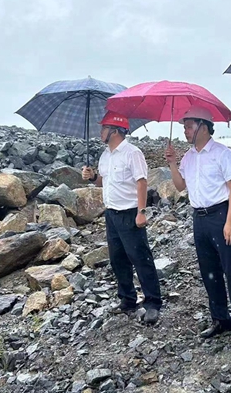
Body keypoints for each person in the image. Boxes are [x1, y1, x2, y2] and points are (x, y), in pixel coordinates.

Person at [164, 106, 231, 350]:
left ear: (203, 127)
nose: (185, 131)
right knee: (209, 271)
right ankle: (220, 319)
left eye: (188, 126)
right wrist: (172, 164)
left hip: (221, 214)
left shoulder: (222, 153)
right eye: (184, 127)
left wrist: (229, 221)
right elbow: (180, 186)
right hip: (199, 217)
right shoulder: (188, 156)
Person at [82, 111, 162, 325]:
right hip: (111, 214)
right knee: (118, 259)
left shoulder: (132, 153)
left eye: (104, 128)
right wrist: (92, 177)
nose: (100, 131)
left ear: (115, 131)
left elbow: (141, 182)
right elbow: (103, 181)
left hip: (129, 212)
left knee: (141, 258)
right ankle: (127, 300)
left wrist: (141, 212)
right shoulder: (105, 155)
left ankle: (153, 303)